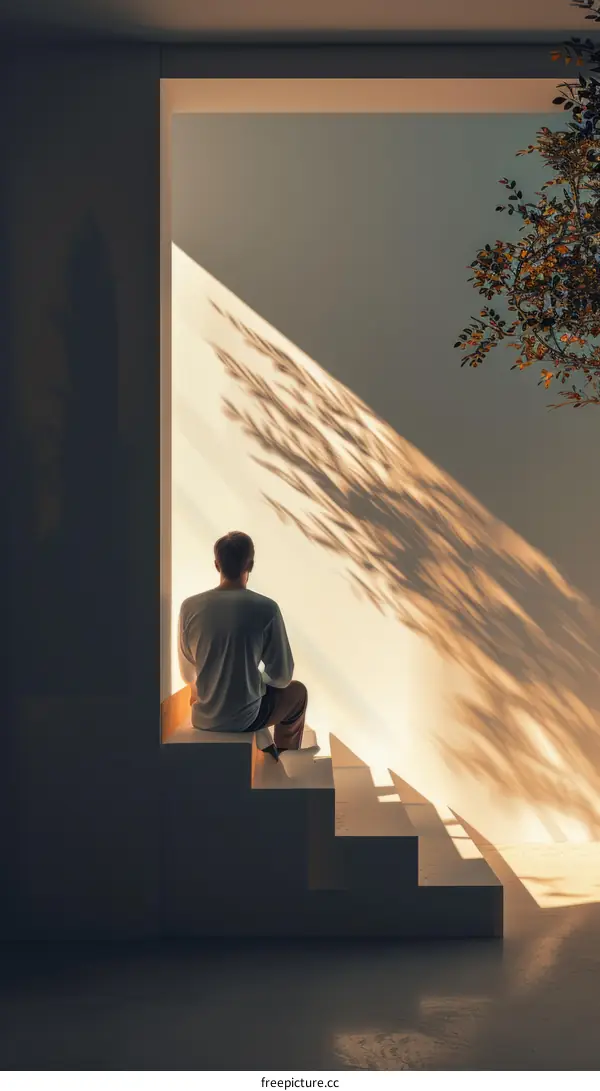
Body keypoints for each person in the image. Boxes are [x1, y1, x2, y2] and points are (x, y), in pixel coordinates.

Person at [178, 531, 308, 761]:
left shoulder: (189, 607)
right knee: (298, 693)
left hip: (203, 718)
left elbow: (188, 674)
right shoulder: (266, 609)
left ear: (216, 565)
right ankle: (287, 760)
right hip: (245, 719)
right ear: (250, 565)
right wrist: (255, 680)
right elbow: (282, 677)